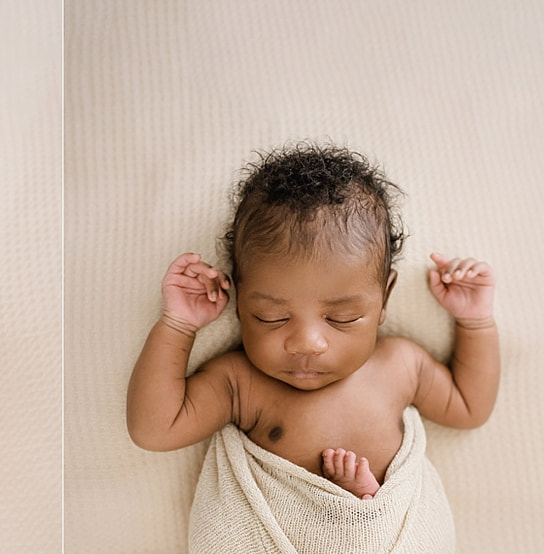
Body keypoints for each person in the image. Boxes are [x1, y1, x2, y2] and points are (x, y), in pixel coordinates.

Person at [127, 143, 500, 498]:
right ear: (239, 300)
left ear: (384, 298)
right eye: (271, 317)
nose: (306, 343)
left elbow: (469, 408)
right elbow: (154, 430)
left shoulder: (401, 365)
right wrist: (178, 325)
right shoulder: (240, 383)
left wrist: (475, 322)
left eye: (342, 317)